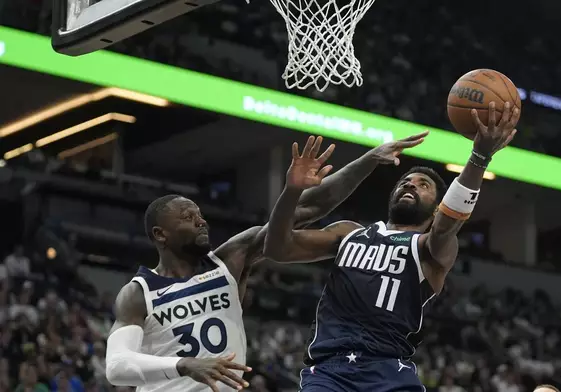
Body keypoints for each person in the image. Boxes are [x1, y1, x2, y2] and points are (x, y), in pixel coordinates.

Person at [105, 133, 428, 392]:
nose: (201, 222)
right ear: (161, 235)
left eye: (201, 215)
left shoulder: (229, 261)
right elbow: (117, 367)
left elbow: (307, 210)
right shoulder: (139, 293)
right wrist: (185, 365)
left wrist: (366, 161)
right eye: (188, 218)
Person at [263, 102, 519, 391]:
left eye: (423, 185)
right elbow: (277, 248)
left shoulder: (430, 247)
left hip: (390, 373)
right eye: (405, 182)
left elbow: (449, 223)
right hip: (330, 372)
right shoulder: (350, 233)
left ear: (436, 209)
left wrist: (479, 157)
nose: (410, 185)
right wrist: (292, 191)